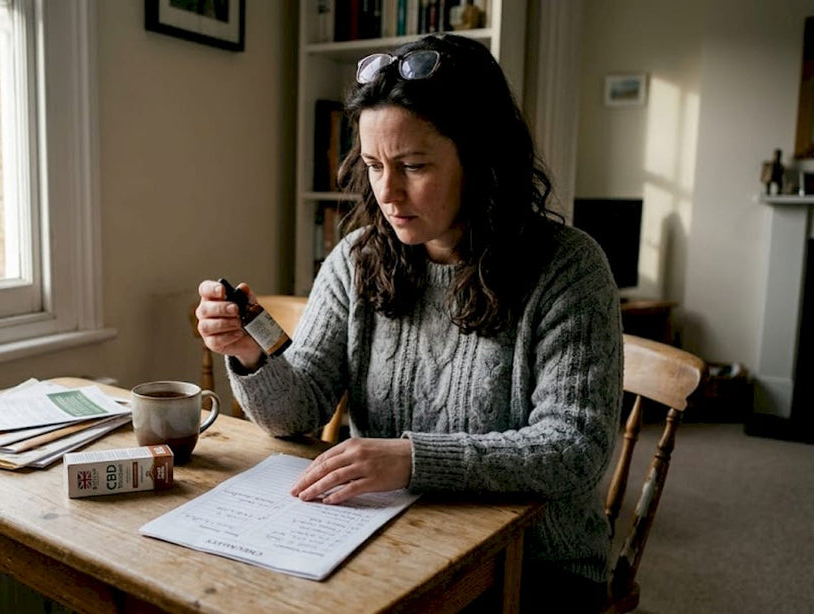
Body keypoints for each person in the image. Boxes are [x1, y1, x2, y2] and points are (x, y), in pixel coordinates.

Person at [196, 33, 621, 612]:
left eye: (414, 166)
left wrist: (412, 458)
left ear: (482, 160)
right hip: (386, 542)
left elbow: (575, 449)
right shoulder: (356, 258)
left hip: (537, 567)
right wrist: (250, 353)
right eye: (373, 165)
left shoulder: (568, 268)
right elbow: (298, 411)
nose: (388, 193)